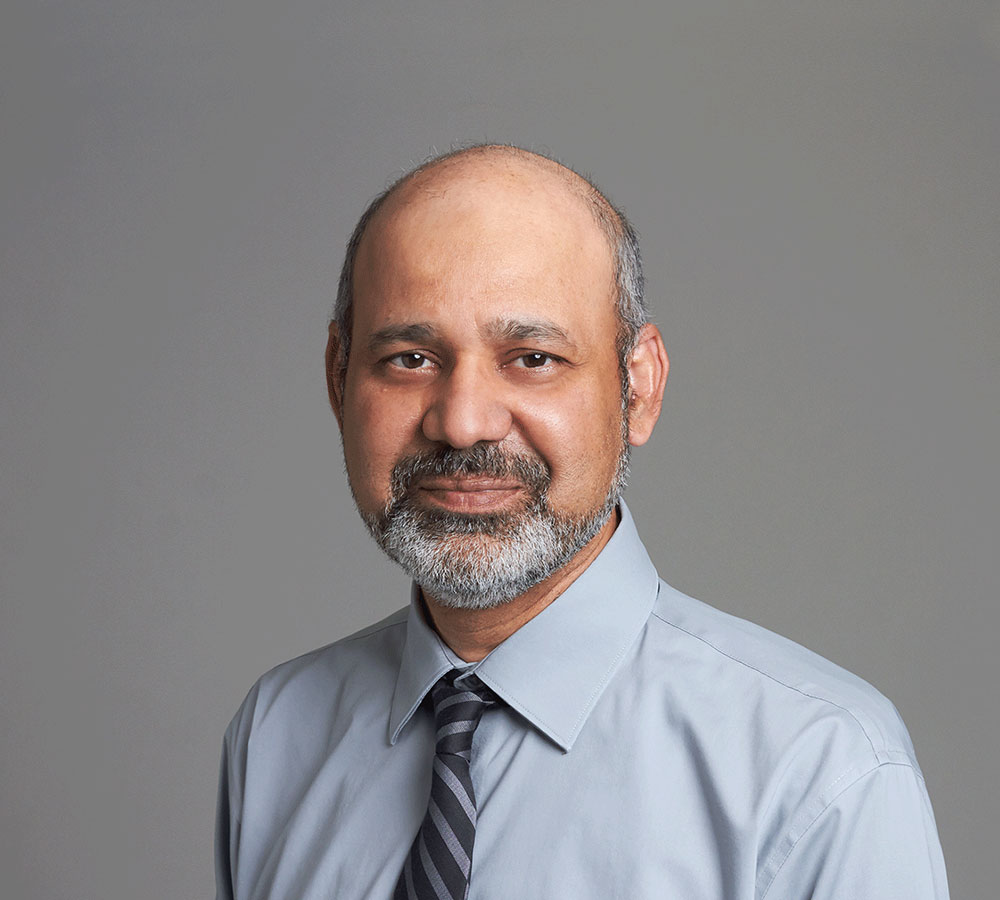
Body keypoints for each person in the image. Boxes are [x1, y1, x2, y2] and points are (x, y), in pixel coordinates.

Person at [214, 145, 949, 899]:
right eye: (410, 358)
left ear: (639, 388)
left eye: (532, 358)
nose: (463, 423)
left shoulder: (820, 770)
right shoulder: (277, 734)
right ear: (338, 378)